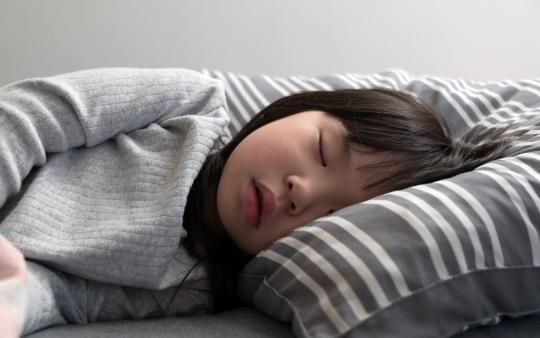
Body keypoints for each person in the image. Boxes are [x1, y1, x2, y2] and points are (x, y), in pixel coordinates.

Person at [0, 68, 508, 335]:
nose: (301, 192)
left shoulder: (196, 285)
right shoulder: (190, 102)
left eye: (333, 217)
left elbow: (72, 300)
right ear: (298, 110)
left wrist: (17, 299)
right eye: (323, 151)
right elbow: (31, 115)